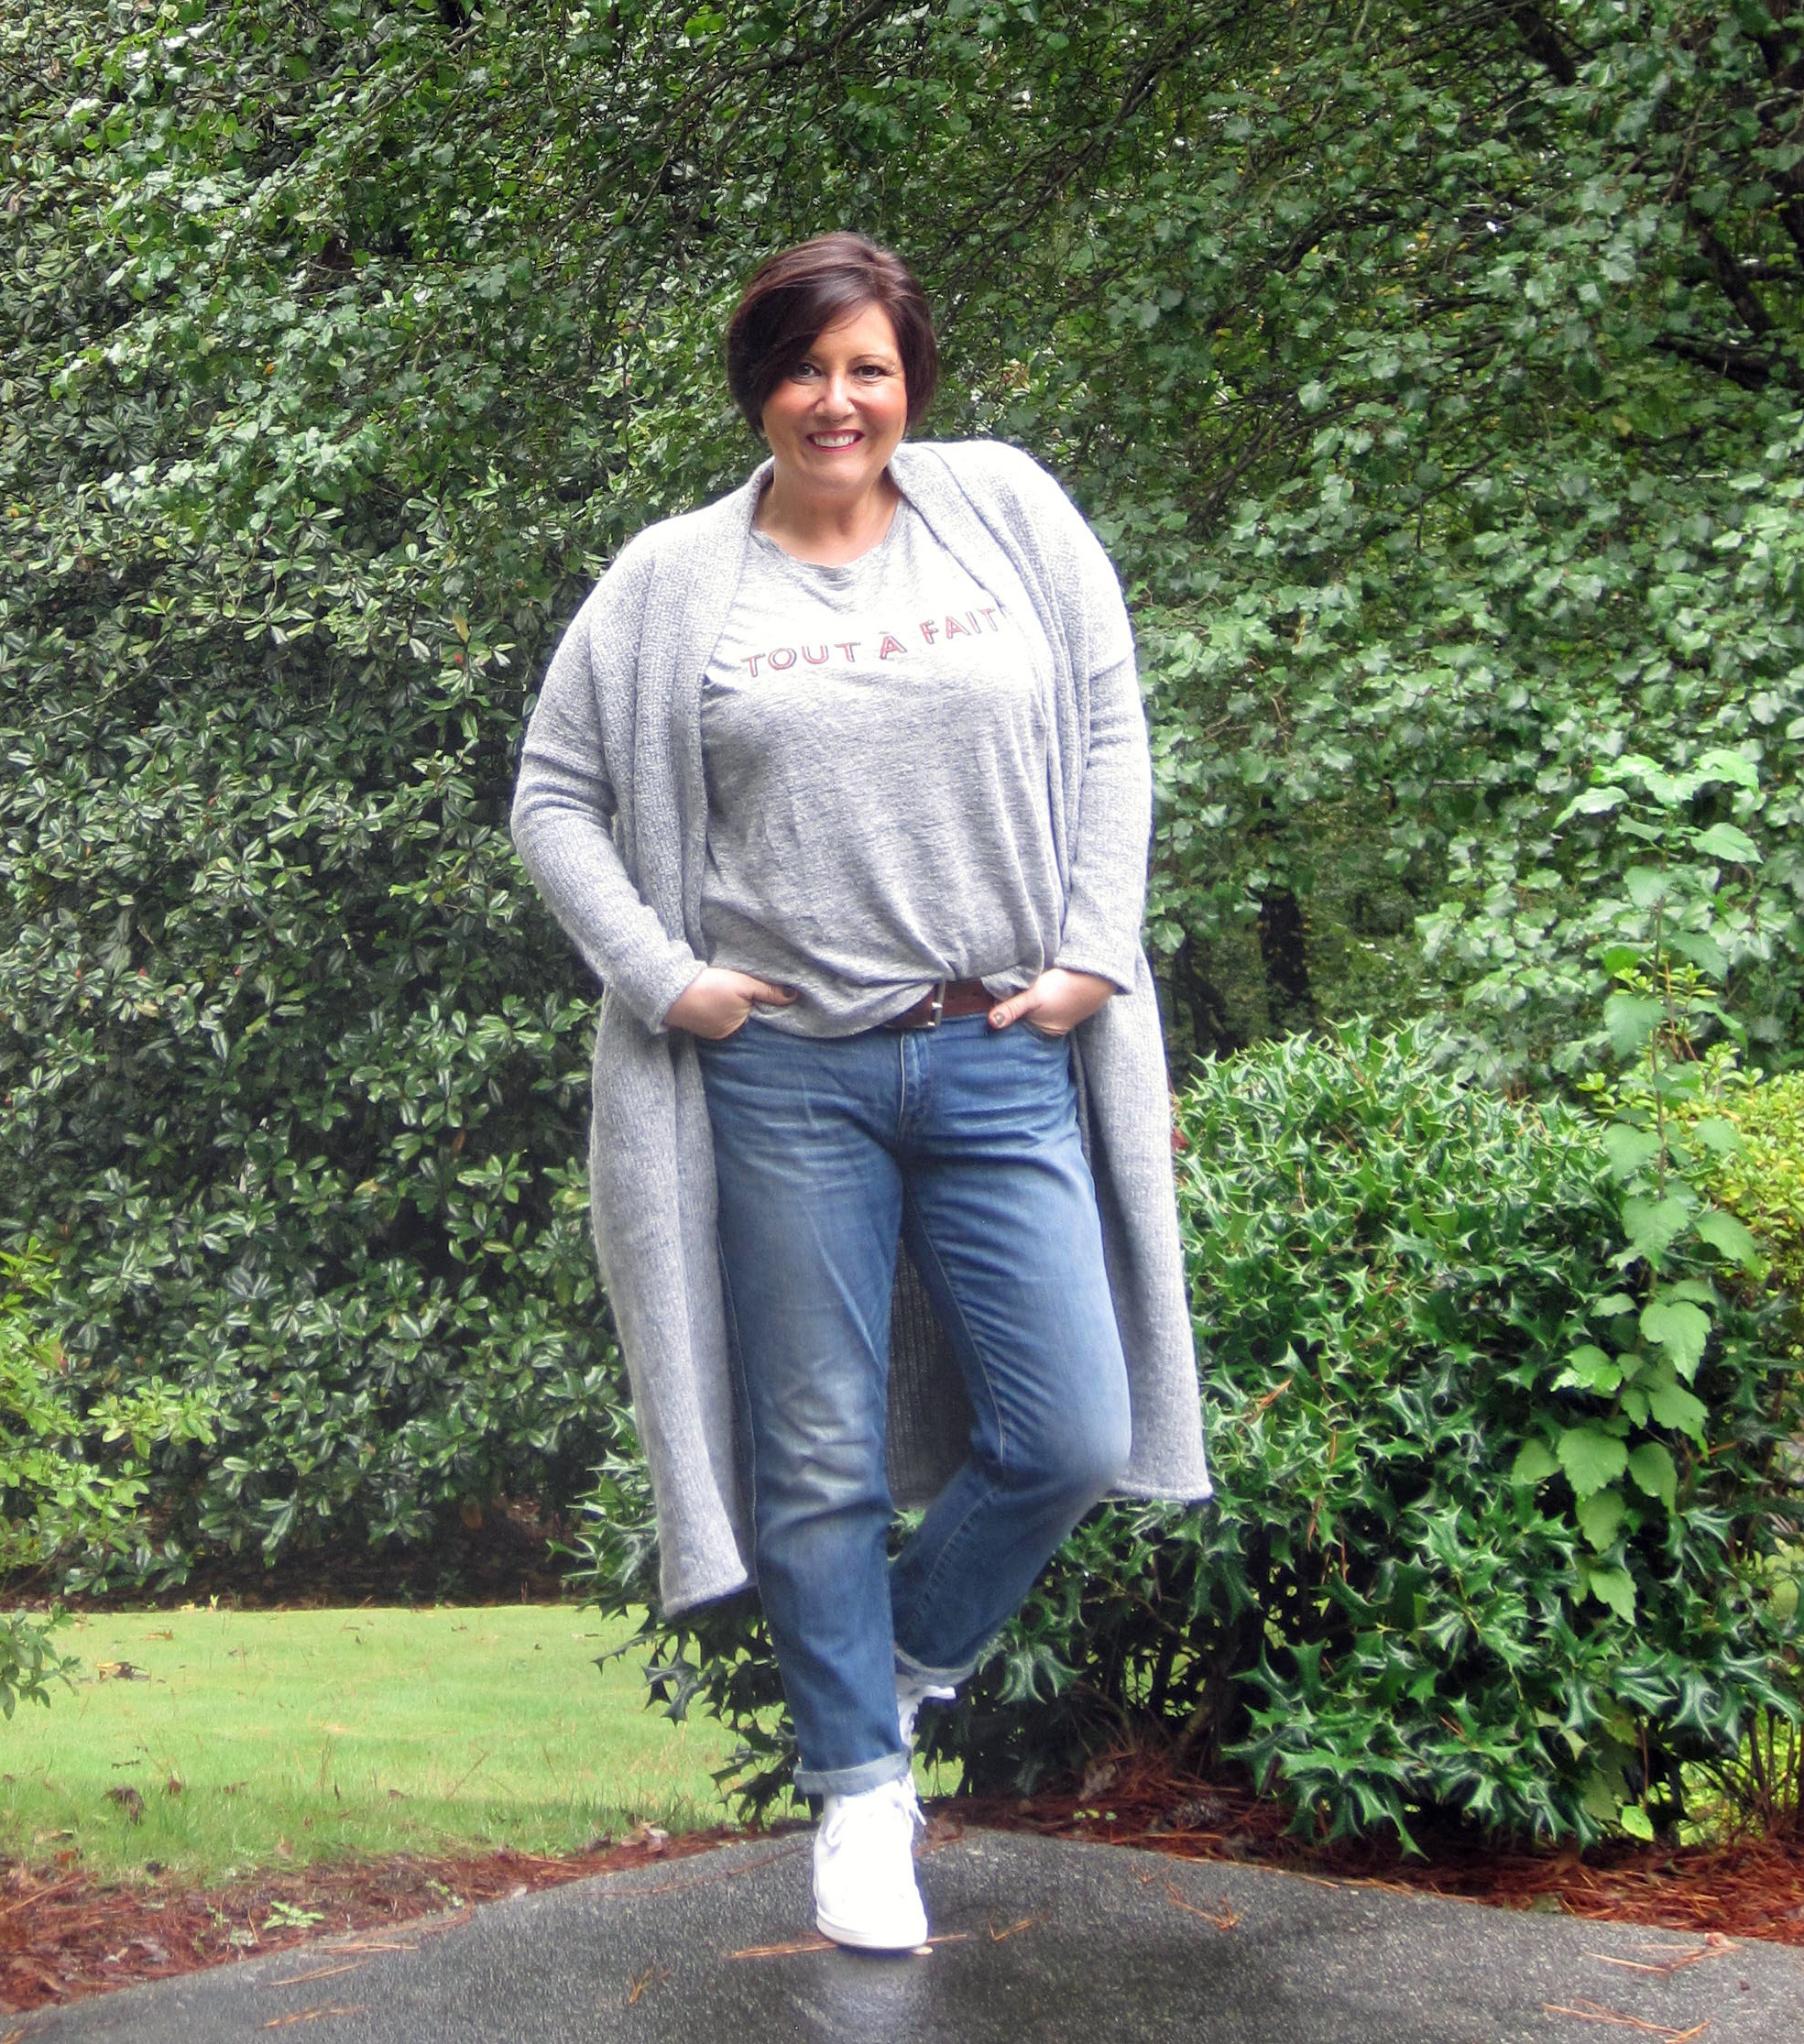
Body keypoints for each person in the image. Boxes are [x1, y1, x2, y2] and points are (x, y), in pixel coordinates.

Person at [510, 233, 1210, 1953]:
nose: (839, 402)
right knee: (815, 1451)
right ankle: (855, 1801)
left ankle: (889, 1669)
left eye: (869, 370)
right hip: (785, 1077)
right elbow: (554, 796)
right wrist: (666, 978)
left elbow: (1111, 727)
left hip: (998, 1045)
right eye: (806, 369)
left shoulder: (1006, 512)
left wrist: (1093, 954)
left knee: (1070, 1429)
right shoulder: (671, 581)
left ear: (911, 384)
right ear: (758, 386)